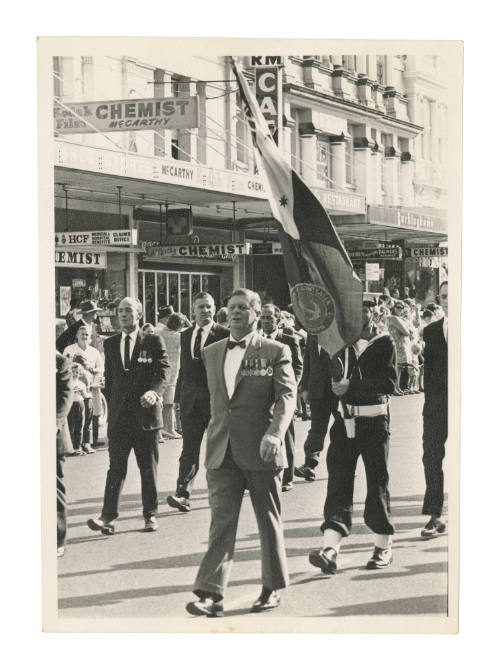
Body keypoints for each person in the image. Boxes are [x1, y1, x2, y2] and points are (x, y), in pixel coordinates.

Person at [186, 288, 296, 617]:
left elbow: (286, 397)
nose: (235, 312)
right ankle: (210, 593)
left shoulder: (276, 350)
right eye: (231, 307)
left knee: (267, 521)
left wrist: (276, 434)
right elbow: (212, 403)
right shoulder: (212, 351)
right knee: (221, 524)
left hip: (262, 450)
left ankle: (272, 588)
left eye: (243, 307)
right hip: (221, 451)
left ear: (256, 312)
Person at [308, 300, 397, 574]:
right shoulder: (339, 346)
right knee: (338, 482)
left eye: (365, 312)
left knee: (376, 482)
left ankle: (383, 545)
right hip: (344, 421)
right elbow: (324, 382)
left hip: (374, 422)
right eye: (353, 313)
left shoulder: (384, 344)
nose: (359, 318)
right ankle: (331, 546)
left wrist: (352, 385)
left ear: (374, 314)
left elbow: (391, 383)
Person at [87, 297, 168, 535]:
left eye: (128, 311)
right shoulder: (111, 344)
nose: (123, 315)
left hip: (146, 417)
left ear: (139, 314)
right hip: (120, 418)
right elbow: (110, 381)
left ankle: (150, 515)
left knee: (147, 469)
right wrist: (113, 405)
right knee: (116, 469)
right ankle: (107, 517)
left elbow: (163, 370)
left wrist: (154, 392)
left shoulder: (152, 340)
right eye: (120, 311)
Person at [167, 292, 229, 513]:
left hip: (215, 401)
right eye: (201, 307)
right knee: (189, 449)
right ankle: (182, 493)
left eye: (209, 307)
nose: (206, 311)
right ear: (193, 310)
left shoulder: (224, 334)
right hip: (190, 401)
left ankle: (225, 490)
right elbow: (183, 370)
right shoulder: (186, 335)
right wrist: (176, 400)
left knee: (220, 449)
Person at [260, 303, 303, 491]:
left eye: (269, 317)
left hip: (283, 394)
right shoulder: (256, 339)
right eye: (263, 317)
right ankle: (264, 472)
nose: (266, 321)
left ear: (277, 319)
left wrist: (290, 389)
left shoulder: (288, 339)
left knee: (286, 434)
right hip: (262, 396)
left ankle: (287, 477)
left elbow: (298, 367)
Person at [421, 281, 448, 538]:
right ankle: (434, 515)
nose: (449, 300)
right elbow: (428, 374)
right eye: (444, 296)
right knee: (431, 456)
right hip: (438, 405)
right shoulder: (430, 332)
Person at [294, 334, 338, 481]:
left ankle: (345, 464)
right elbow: (308, 361)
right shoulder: (313, 331)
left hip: (338, 389)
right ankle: (310, 465)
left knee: (343, 428)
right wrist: (305, 387)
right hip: (317, 389)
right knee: (317, 427)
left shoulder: (340, 327)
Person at [63, 324, 104, 454]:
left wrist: (92, 369)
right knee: (74, 419)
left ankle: (87, 443)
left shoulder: (94, 351)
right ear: (76, 336)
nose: (85, 336)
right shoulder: (69, 349)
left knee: (88, 417)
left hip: (89, 388)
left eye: (87, 334)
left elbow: (101, 369)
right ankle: (74, 446)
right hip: (73, 390)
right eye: (82, 334)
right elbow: (63, 366)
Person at [155, 312, 184, 439]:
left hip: (159, 370)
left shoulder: (159, 332)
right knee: (169, 404)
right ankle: (170, 429)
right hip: (172, 373)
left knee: (160, 403)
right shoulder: (179, 336)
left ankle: (159, 430)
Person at [56, 352, 73, 557]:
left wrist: (55, 422)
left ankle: (58, 537)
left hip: (52, 433)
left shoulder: (60, 362)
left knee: (53, 485)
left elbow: (65, 397)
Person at [387, 300, 412, 394]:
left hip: (402, 344)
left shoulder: (401, 319)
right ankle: (394, 388)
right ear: (394, 308)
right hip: (397, 344)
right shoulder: (393, 318)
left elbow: (410, 331)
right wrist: (408, 331)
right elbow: (406, 332)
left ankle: (397, 387)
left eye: (402, 307)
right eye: (398, 307)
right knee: (396, 367)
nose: (400, 309)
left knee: (400, 367)